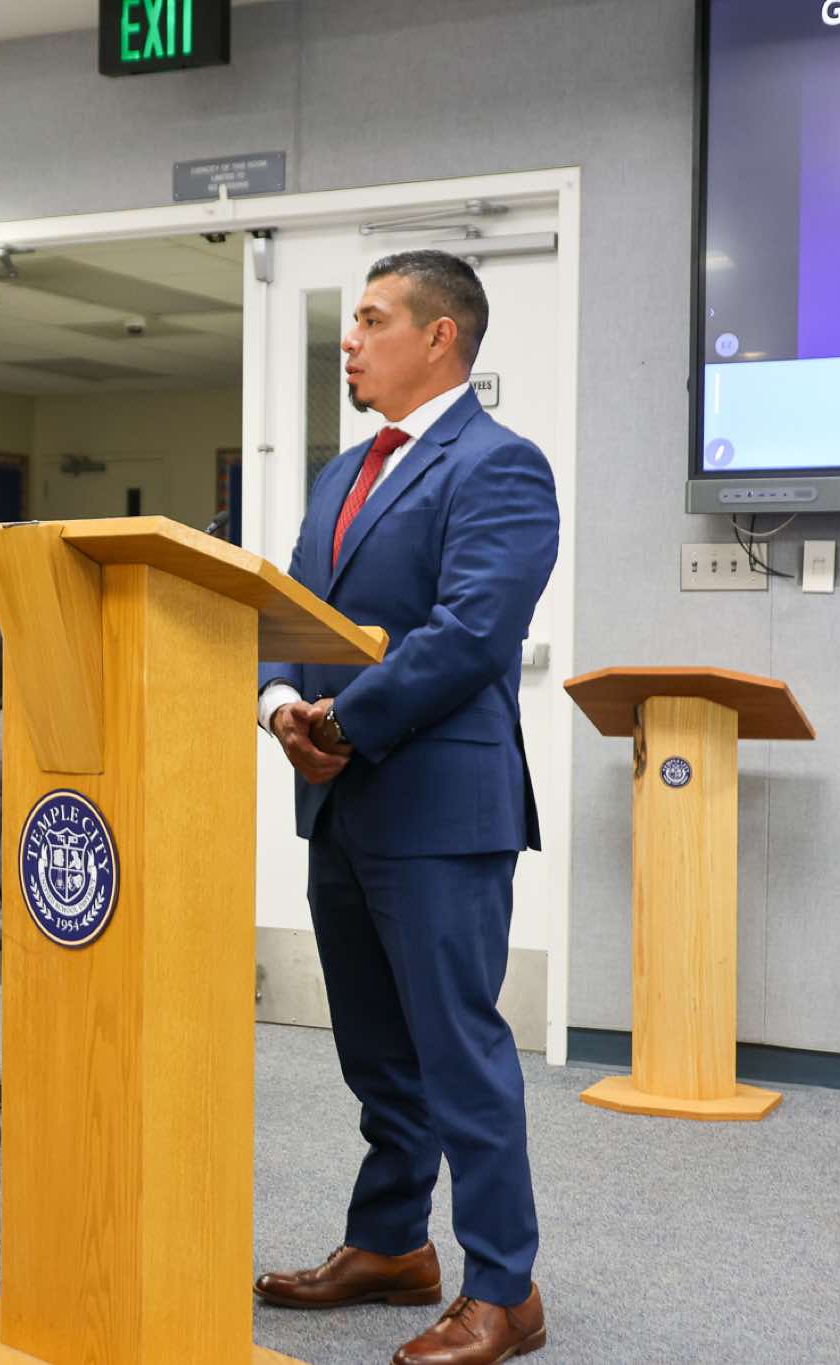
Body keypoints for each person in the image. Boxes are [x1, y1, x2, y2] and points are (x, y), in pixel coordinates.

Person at [253, 250, 559, 1365]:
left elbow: (470, 634)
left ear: (440, 336)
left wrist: (340, 722)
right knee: (376, 1051)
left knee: (457, 1053)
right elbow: (288, 611)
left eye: (373, 320)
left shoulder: (499, 465)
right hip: (339, 805)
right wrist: (279, 704)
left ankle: (505, 1291)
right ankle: (390, 1245)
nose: (350, 340)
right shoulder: (341, 474)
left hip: (439, 807)